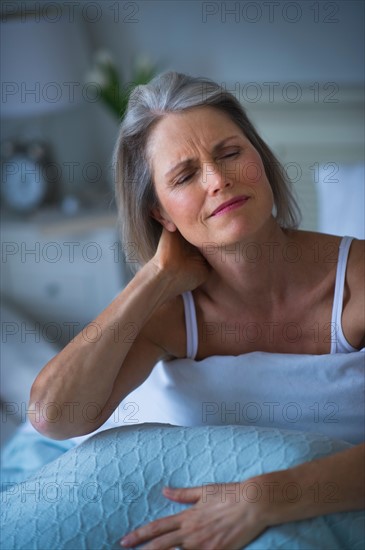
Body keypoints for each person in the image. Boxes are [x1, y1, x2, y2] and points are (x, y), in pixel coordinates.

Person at [29, 72, 364, 549]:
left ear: (260, 160)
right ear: (161, 214)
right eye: (185, 176)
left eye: (230, 153)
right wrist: (153, 278)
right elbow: (53, 418)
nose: (218, 180)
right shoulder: (167, 313)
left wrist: (264, 498)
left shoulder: (357, 281)